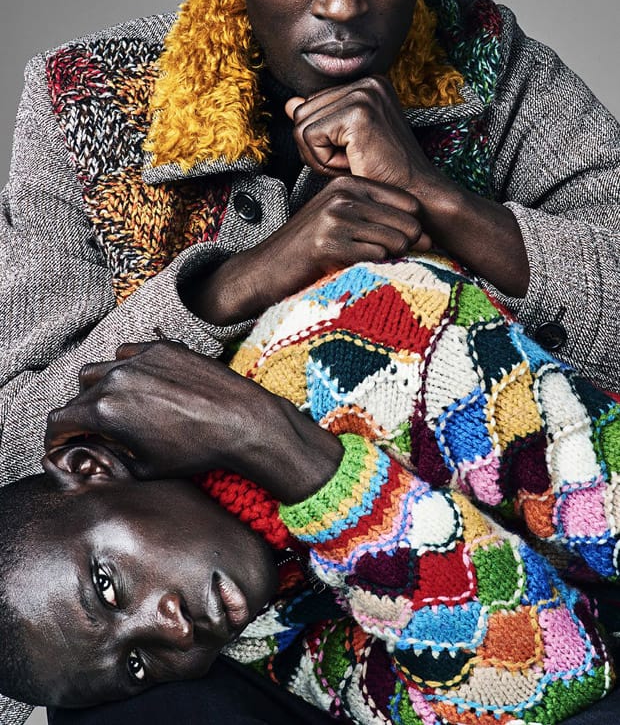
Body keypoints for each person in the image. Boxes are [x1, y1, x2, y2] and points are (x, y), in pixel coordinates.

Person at [1, 0, 619, 720]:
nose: (342, 1)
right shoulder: (87, 102)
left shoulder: (494, 68)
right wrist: (237, 285)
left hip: (540, 540)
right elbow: (12, 446)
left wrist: (438, 197)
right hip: (276, 625)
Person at [1, 253, 620, 725]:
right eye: (137, 665)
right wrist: (306, 470)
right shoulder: (253, 633)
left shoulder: (362, 344)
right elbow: (544, 685)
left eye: (108, 586)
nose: (175, 633)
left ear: (91, 468)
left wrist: (273, 439)